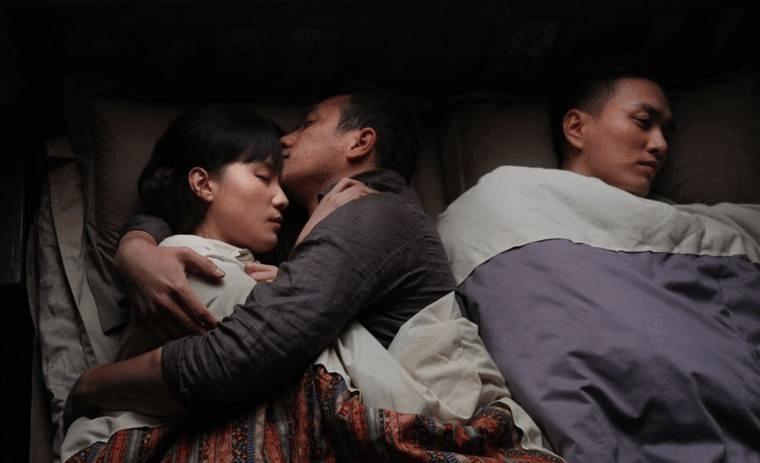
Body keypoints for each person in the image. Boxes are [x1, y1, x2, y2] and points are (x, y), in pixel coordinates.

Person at [65, 91, 456, 420]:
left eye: (307, 124)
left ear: (360, 142)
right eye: (263, 178)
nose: (287, 140)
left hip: (405, 412)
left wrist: (93, 385)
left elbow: (246, 352)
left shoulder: (371, 212)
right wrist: (136, 245)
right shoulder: (299, 223)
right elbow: (189, 211)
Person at [549, 63, 674, 196]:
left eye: (666, 134)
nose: (662, 145)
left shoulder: (680, 209)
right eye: (643, 121)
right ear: (577, 128)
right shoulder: (536, 200)